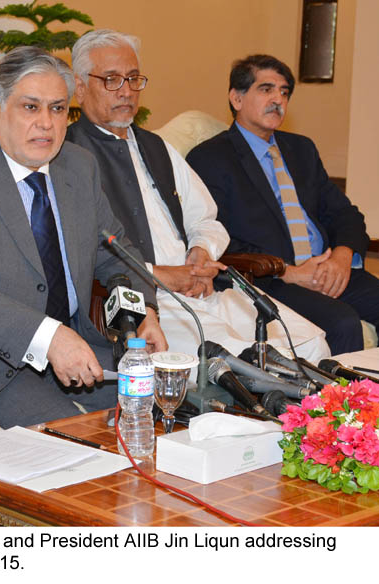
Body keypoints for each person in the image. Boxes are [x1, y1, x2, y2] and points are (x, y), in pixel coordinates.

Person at [0, 46, 168, 428]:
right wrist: (48, 337)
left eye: (58, 108)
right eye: (31, 107)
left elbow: (116, 252)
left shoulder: (78, 167)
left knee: (172, 412)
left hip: (81, 345)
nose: (47, 123)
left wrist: (144, 310)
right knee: (81, 443)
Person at [65, 30, 330, 361]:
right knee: (245, 365)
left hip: (204, 287)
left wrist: (201, 253)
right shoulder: (67, 157)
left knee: (310, 343)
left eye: (134, 79)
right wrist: (162, 275)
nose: (127, 91)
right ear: (79, 87)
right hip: (149, 302)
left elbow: (205, 217)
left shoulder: (156, 147)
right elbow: (81, 252)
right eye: (112, 80)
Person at [187, 54, 379, 354]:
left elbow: (344, 213)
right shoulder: (210, 157)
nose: (278, 99)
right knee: (342, 322)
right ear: (236, 98)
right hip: (268, 279)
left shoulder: (301, 149)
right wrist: (287, 271)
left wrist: (341, 257)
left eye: (284, 91)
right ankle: (342, 401)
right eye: (266, 89)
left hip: (326, 270)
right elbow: (214, 235)